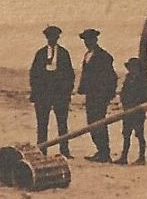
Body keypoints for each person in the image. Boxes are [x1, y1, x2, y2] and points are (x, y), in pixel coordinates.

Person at [29, 25, 75, 156]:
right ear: (46, 37)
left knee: (62, 123)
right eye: (50, 37)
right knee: (42, 124)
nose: (52, 39)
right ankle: (42, 150)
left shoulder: (64, 54)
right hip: (43, 95)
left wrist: (66, 92)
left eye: (55, 37)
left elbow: (70, 75)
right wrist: (36, 92)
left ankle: (64, 150)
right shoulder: (40, 53)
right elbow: (34, 74)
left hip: (60, 95)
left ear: (58, 37)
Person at [76, 28, 117, 163]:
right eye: (85, 41)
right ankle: (100, 151)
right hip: (90, 95)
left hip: (100, 96)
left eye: (89, 40)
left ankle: (105, 153)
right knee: (91, 123)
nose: (87, 43)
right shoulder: (87, 55)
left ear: (95, 40)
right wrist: (82, 88)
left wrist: (107, 94)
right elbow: (86, 75)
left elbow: (112, 77)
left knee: (99, 122)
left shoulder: (104, 56)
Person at [116, 57, 147, 165]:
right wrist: (125, 103)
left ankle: (141, 157)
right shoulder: (128, 79)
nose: (132, 70)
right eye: (131, 68)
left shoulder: (142, 81)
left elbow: (145, 96)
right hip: (127, 111)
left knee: (139, 134)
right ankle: (124, 157)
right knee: (126, 134)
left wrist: (137, 105)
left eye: (134, 68)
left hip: (138, 112)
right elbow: (123, 93)